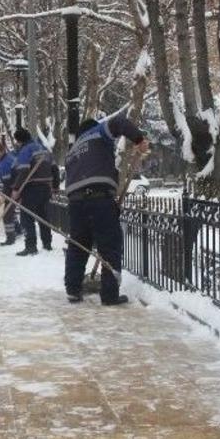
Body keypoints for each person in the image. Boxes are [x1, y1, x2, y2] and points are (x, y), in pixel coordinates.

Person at [63, 114, 149, 306]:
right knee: (110, 246)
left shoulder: (72, 150)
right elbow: (119, 121)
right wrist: (139, 139)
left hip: (76, 203)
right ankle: (109, 294)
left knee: (77, 246)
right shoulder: (98, 133)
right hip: (99, 199)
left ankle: (73, 290)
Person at [10, 128, 54, 256]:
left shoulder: (26, 150)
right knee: (43, 216)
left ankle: (30, 246)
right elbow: (54, 168)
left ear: (20, 141)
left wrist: (16, 189)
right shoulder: (44, 149)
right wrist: (54, 186)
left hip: (32, 187)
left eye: (17, 141)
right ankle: (47, 244)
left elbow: (24, 171)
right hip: (45, 187)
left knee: (26, 217)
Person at [0, 142, 19, 246]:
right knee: (10, 212)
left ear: (3, 151)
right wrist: (3, 195)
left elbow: (8, 182)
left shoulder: (6, 162)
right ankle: (18, 230)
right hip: (14, 188)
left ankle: (11, 238)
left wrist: (3, 195)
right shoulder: (6, 160)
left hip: (14, 189)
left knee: (7, 215)